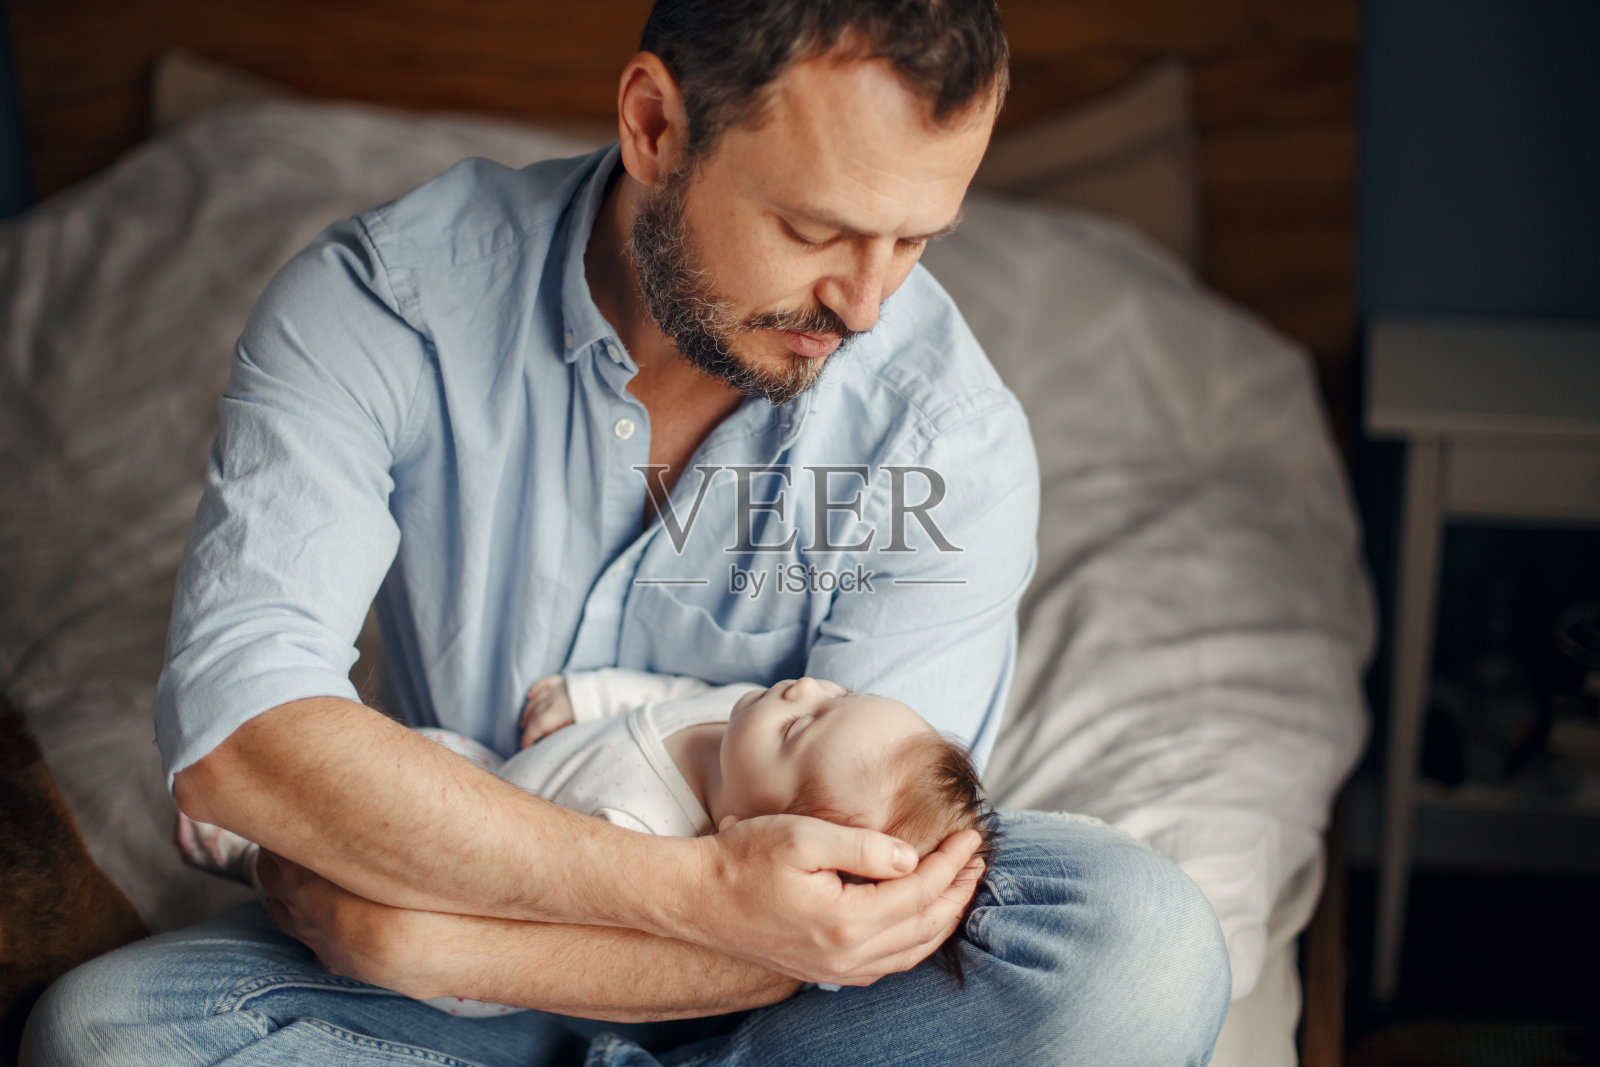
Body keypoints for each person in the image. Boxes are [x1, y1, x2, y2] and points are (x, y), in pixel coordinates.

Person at [22, 2, 1233, 1064]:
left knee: (1139, 950)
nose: (867, 305)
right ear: (654, 125)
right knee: (103, 1036)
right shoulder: (382, 308)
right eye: (818, 230)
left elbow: (853, 917)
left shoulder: (947, 436)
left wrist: (410, 932)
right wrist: (696, 887)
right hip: (439, 988)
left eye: (916, 240)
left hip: (772, 1016)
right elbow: (241, 743)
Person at [176, 669, 998, 1017]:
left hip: (474, 892)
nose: (800, 688)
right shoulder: (736, 718)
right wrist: (590, 693)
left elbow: (559, 938)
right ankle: (276, 822)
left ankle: (247, 855)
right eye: (836, 695)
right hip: (489, 776)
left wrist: (435, 948)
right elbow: (664, 694)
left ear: (756, 840)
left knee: (359, 876)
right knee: (403, 755)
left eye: (800, 728)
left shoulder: (647, 828)